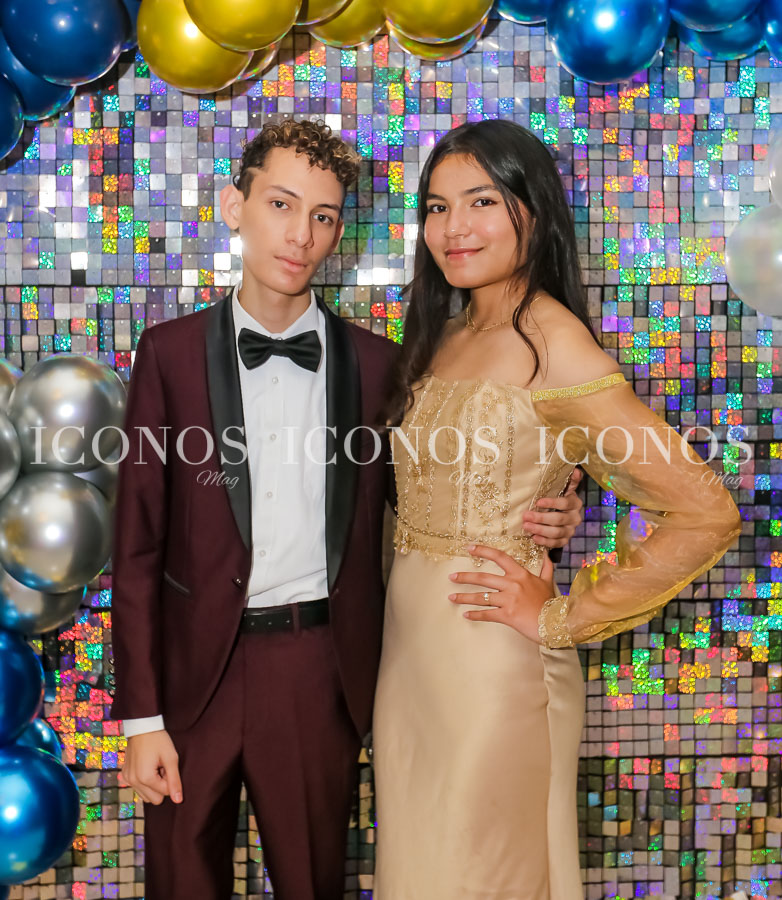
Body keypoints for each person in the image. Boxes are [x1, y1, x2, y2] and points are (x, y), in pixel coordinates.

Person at [108, 118, 585, 900]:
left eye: (323, 216)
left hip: (317, 672)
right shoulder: (168, 354)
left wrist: (557, 504)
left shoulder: (380, 364)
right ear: (234, 206)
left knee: (313, 882)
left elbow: (436, 495)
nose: (300, 234)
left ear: (339, 232)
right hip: (192, 681)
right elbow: (134, 551)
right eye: (281, 204)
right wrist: (140, 718)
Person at [372, 119, 743, 900]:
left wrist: (563, 617)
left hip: (490, 666)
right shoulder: (442, 332)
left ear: (534, 213)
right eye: (437, 207)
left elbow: (703, 509)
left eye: (482, 201)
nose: (454, 227)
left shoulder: (555, 341)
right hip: (409, 664)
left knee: (483, 878)